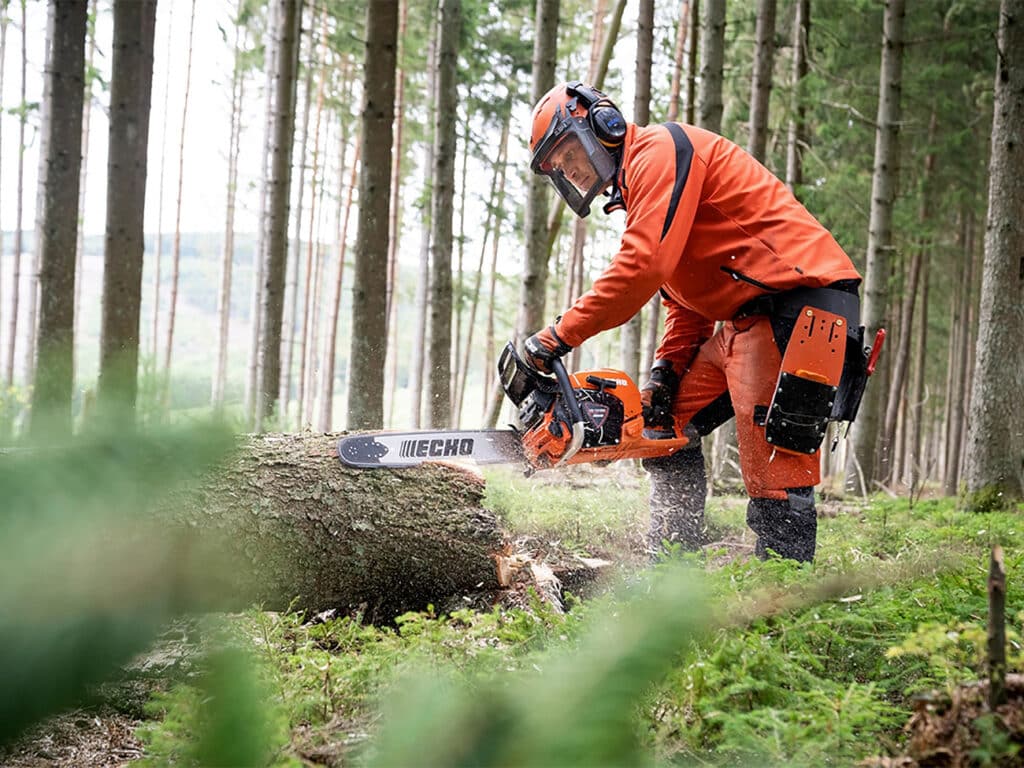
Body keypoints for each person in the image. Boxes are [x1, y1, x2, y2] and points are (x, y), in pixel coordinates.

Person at [522, 80, 870, 563]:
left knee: (776, 464)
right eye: (559, 168)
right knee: (663, 428)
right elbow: (684, 300)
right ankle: (670, 558)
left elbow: (643, 268)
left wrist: (555, 337)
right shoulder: (644, 192)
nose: (571, 170)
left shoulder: (660, 151)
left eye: (568, 153)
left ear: (603, 126)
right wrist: (665, 373)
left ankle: (783, 596)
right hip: (744, 322)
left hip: (795, 304)